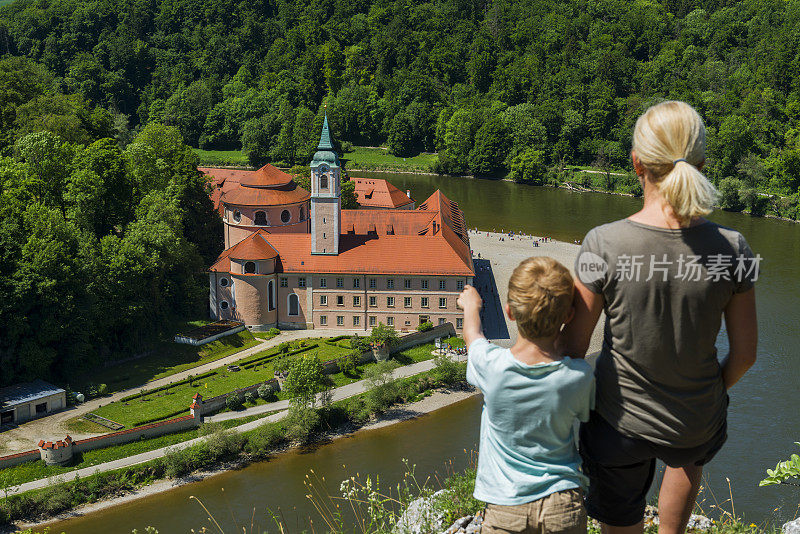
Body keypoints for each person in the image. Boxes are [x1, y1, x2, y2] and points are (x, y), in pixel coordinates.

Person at [560, 101, 759, 534]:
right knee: (686, 458)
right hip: (696, 420)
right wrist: (706, 392)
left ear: (636, 164)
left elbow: (574, 346)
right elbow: (745, 355)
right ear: (701, 165)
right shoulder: (735, 248)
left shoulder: (603, 243)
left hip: (618, 418)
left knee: (619, 523)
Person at [458, 257, 595, 534]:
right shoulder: (578, 376)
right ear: (568, 316)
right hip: (563, 505)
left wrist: (472, 305)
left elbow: (472, 335)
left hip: (506, 506)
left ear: (509, 312)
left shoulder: (492, 367)